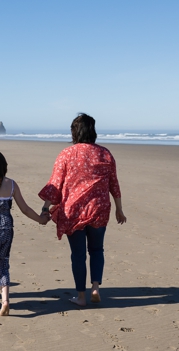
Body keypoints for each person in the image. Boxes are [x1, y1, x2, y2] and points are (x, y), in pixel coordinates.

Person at [39, 113, 127, 308]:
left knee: (78, 255)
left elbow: (55, 184)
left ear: (75, 132)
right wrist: (119, 210)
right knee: (97, 249)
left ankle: (81, 296)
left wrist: (45, 209)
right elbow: (114, 184)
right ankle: (95, 287)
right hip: (99, 208)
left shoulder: (66, 154)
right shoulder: (105, 154)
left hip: (74, 211)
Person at [0, 151, 49, 316]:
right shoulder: (12, 185)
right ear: (4, 167)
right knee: (2, 263)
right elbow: (25, 209)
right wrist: (40, 220)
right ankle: (5, 301)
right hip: (6, 228)